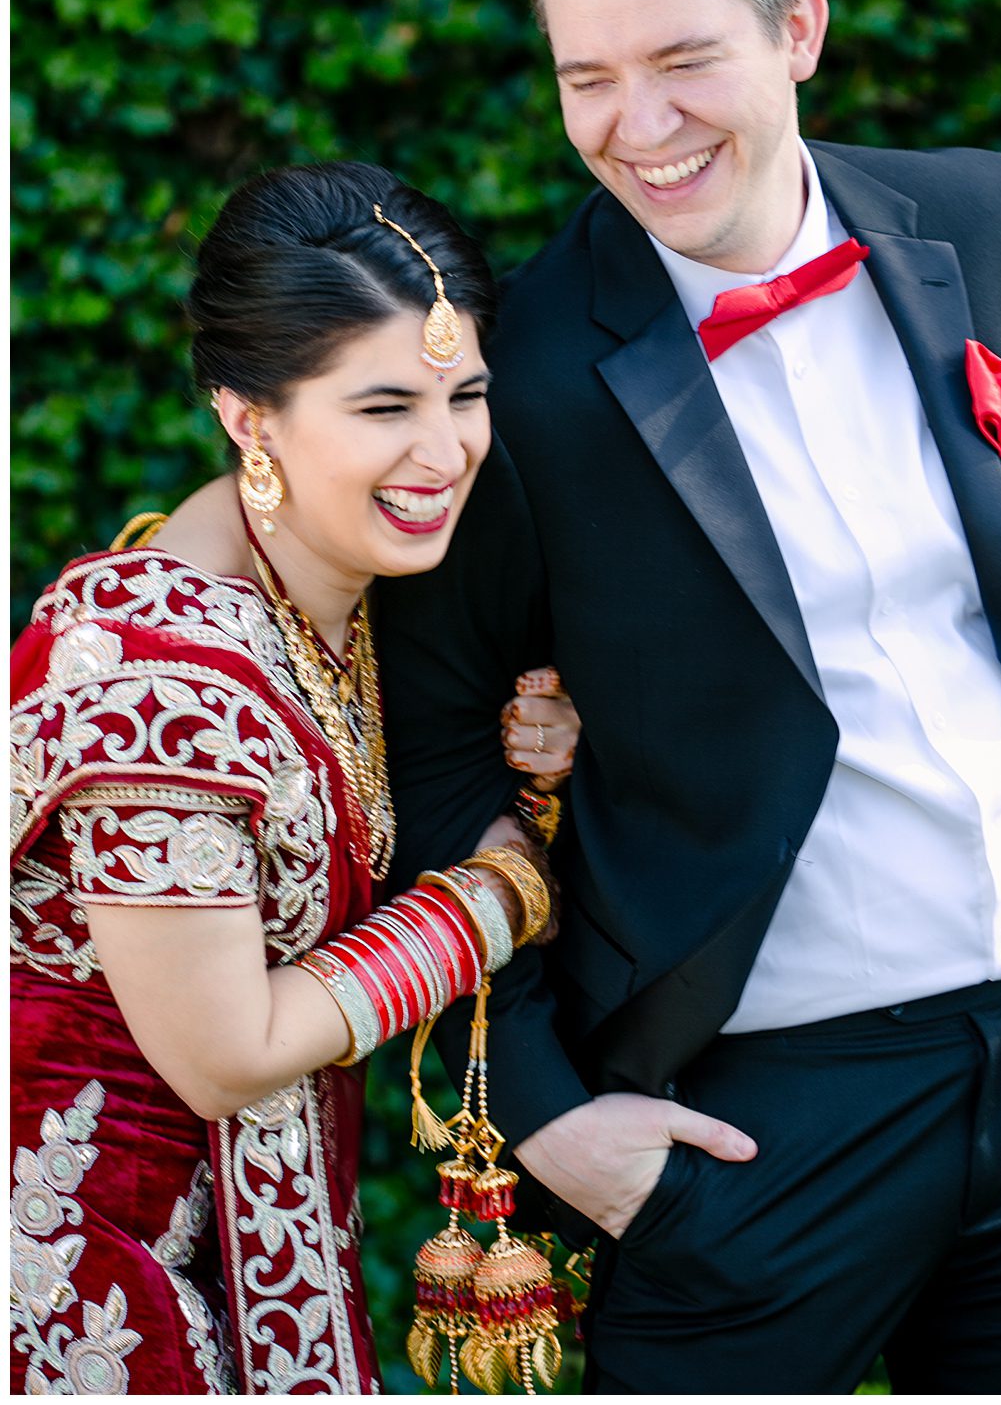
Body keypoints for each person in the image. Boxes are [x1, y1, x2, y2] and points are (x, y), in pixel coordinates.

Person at [373, 0, 1001, 1392]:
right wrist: (544, 1108)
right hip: (758, 1124)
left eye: (684, 59)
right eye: (587, 76)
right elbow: (433, 746)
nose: (639, 126)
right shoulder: (518, 372)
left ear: (799, 28)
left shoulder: (992, 219)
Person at [9, 164, 579, 1392]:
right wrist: (497, 896)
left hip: (241, 1257)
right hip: (89, 1301)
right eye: (384, 407)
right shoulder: (152, 677)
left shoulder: (340, 610)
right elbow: (229, 1047)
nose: (447, 451)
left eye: (467, 395)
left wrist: (537, 761)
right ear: (249, 415)